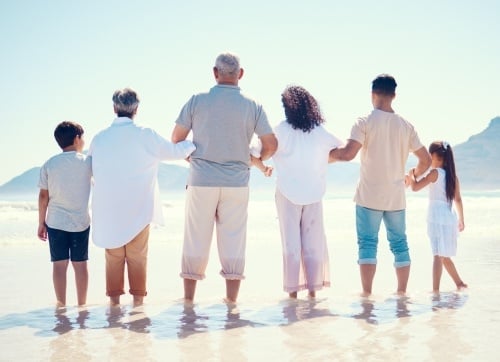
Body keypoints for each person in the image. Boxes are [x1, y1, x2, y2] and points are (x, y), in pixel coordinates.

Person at [171, 52, 278, 303]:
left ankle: (189, 301)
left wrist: (194, 160)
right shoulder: (253, 105)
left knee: (196, 238)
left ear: (215, 73)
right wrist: (254, 159)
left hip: (201, 180)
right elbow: (271, 143)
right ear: (240, 74)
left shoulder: (197, 101)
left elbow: (177, 139)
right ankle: (231, 302)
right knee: (234, 240)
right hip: (237, 182)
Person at [89, 88, 196, 306]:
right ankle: (138, 303)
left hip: (109, 208)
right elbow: (175, 152)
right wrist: (193, 143)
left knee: (113, 256)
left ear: (114, 108)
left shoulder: (99, 138)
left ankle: (114, 304)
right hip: (139, 207)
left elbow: (89, 169)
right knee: (138, 256)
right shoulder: (146, 134)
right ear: (136, 109)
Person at [329, 74, 431, 296]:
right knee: (400, 245)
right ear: (394, 95)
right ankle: (401, 293)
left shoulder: (364, 122)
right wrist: (411, 174)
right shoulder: (407, 126)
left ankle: (367, 294)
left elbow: (347, 155)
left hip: (369, 196)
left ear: (372, 94)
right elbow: (427, 161)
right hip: (395, 196)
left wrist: (324, 157)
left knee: (367, 244)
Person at [253, 85, 342, 298]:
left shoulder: (278, 130)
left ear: (286, 107)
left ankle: (293, 294)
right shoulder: (319, 131)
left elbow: (253, 153)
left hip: (286, 194)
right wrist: (320, 160)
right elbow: (342, 151)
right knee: (313, 242)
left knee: (291, 243)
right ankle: (313, 292)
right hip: (314, 193)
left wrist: (264, 168)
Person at [37, 121, 92, 307]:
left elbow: (43, 196)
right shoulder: (87, 162)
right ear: (77, 139)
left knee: (59, 265)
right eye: (82, 137)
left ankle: (61, 304)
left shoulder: (49, 164)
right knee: (81, 265)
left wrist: (41, 222)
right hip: (80, 222)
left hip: (55, 222)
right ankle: (82, 305)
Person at [408, 141, 466, 293]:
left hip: (437, 216)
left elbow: (415, 187)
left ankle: (435, 291)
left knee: (437, 255)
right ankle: (460, 283)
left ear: (433, 156)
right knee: (444, 256)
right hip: (449, 216)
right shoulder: (452, 176)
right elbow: (458, 200)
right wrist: (461, 219)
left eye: (428, 154)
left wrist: (411, 174)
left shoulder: (435, 173)